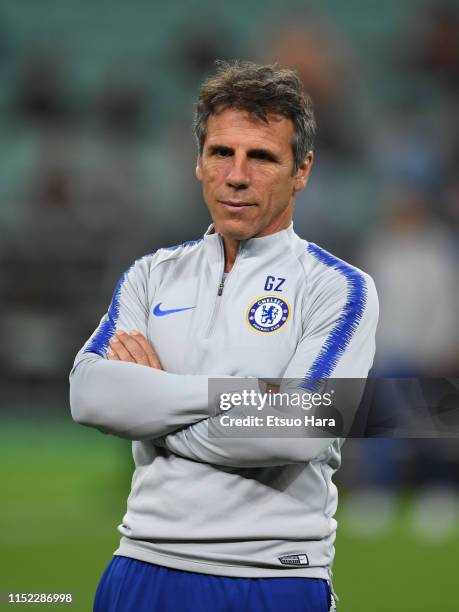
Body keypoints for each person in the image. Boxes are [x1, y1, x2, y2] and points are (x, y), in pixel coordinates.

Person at [70, 61, 378, 612]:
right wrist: (238, 396)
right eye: (221, 153)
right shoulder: (152, 274)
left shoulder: (339, 288)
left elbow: (297, 431)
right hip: (139, 567)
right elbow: (89, 395)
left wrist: (156, 407)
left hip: (271, 578)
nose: (236, 176)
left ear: (302, 169)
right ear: (198, 162)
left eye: (261, 157)